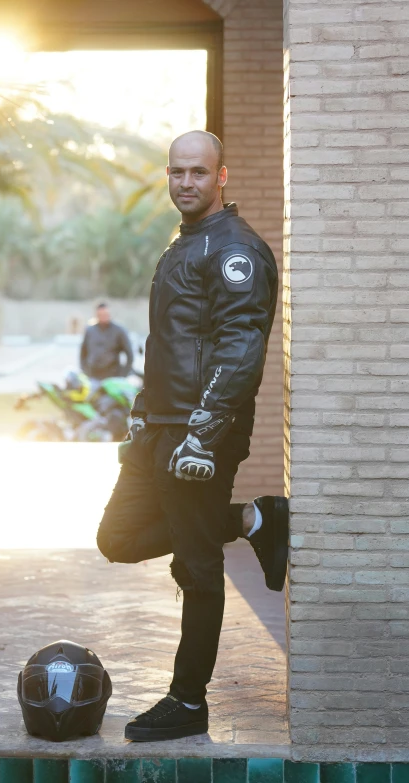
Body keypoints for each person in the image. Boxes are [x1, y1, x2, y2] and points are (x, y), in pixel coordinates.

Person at [96, 130, 288, 742]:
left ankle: (187, 701)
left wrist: (201, 436)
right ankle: (255, 520)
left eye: (198, 173)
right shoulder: (185, 242)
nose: (185, 182)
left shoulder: (235, 251)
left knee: (197, 568)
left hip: (198, 437)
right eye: (177, 172)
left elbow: (240, 350)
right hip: (159, 429)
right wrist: (140, 416)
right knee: (118, 537)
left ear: (221, 177)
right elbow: (168, 345)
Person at [79, 303, 134, 381]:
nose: (103, 317)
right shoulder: (90, 330)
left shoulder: (119, 330)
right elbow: (83, 352)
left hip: (112, 376)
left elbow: (129, 354)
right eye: (100, 314)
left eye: (105, 314)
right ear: (96, 315)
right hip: (92, 375)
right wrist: (84, 370)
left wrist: (123, 374)